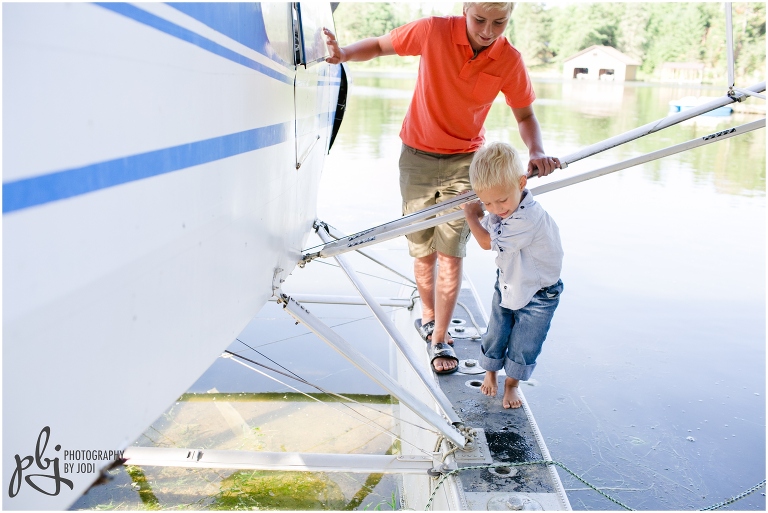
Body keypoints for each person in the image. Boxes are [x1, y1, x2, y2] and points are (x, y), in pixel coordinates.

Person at [324, 2, 561, 374]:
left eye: (499, 22)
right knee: (422, 250)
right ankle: (429, 316)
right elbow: (381, 45)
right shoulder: (433, 31)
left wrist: (537, 151)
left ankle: (440, 337)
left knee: (451, 252)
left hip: (466, 164)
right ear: (465, 8)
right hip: (416, 157)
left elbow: (526, 114)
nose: (488, 31)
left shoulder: (509, 59)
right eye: (480, 19)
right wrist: (345, 54)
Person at [461, 141, 563, 408]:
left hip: (540, 293)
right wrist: (477, 208)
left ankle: (512, 384)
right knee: (497, 330)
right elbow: (491, 224)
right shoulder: (505, 206)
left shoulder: (527, 218)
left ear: (521, 183)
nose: (496, 208)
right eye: (487, 202)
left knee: (525, 343)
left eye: (501, 200)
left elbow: (486, 242)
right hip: (508, 280)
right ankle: (490, 370)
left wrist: (471, 215)